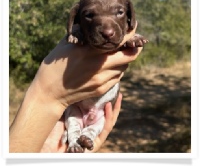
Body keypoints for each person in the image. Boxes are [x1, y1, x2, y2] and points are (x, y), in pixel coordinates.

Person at [9, 23, 143, 153]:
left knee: (99, 123)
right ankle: (74, 142)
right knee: (73, 119)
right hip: (77, 106)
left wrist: (132, 39)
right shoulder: (80, 34)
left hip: (100, 110)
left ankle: (85, 138)